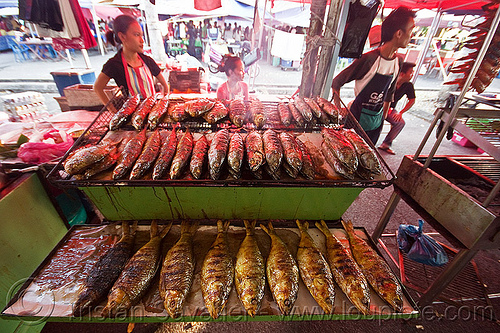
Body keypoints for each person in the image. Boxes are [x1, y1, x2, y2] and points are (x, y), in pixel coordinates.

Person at [331, 6, 416, 144]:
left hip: (376, 122)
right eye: (411, 30)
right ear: (399, 33)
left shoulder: (398, 61)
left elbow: (389, 93)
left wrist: (382, 119)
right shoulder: (369, 59)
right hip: (356, 120)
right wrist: (339, 109)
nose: (412, 35)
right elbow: (336, 82)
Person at [94, 15, 168, 105]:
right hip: (131, 116)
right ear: (122, 36)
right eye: (137, 35)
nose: (142, 40)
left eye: (142, 35)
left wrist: (163, 105)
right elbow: (98, 87)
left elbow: (164, 84)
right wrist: (112, 110)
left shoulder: (147, 61)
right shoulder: (114, 64)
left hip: (151, 113)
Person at [378, 62, 416, 154]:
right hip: (378, 106)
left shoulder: (408, 85)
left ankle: (386, 144)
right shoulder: (389, 81)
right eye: (410, 72)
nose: (412, 75)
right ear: (402, 74)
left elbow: (412, 100)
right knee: (376, 119)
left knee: (400, 123)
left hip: (391, 109)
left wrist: (401, 112)